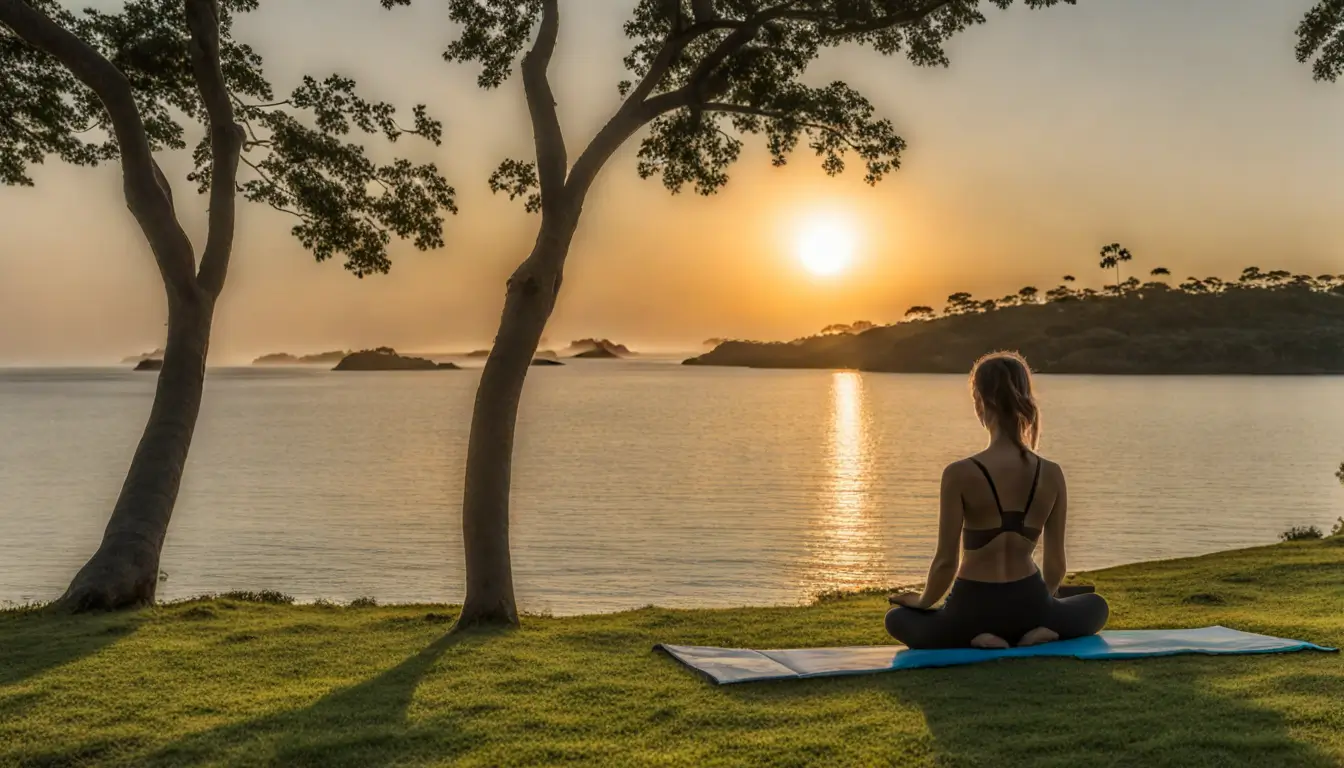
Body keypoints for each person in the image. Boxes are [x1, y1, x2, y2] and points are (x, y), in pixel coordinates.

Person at [885, 351, 1109, 650]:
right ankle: (1038, 631)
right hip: (1030, 601)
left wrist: (923, 600)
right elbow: (1055, 563)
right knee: (1096, 606)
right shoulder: (1051, 473)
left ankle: (976, 636)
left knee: (897, 618)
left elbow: (945, 562)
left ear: (980, 400)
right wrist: (1044, 606)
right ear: (1025, 398)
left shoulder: (960, 473)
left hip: (972, 605)